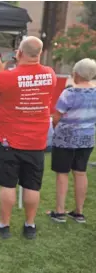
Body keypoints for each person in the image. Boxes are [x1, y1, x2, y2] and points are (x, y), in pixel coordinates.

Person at [0, 36, 57, 240]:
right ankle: (29, 225)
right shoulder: (50, 74)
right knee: (32, 184)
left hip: (9, 140)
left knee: (8, 184)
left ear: (19, 53)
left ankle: (4, 225)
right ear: (40, 53)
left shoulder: (5, 77)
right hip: (36, 140)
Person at [47, 58, 96, 224]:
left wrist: (55, 127)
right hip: (87, 138)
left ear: (76, 74)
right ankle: (79, 212)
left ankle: (60, 212)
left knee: (62, 174)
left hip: (65, 138)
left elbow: (56, 116)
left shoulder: (69, 93)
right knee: (80, 172)